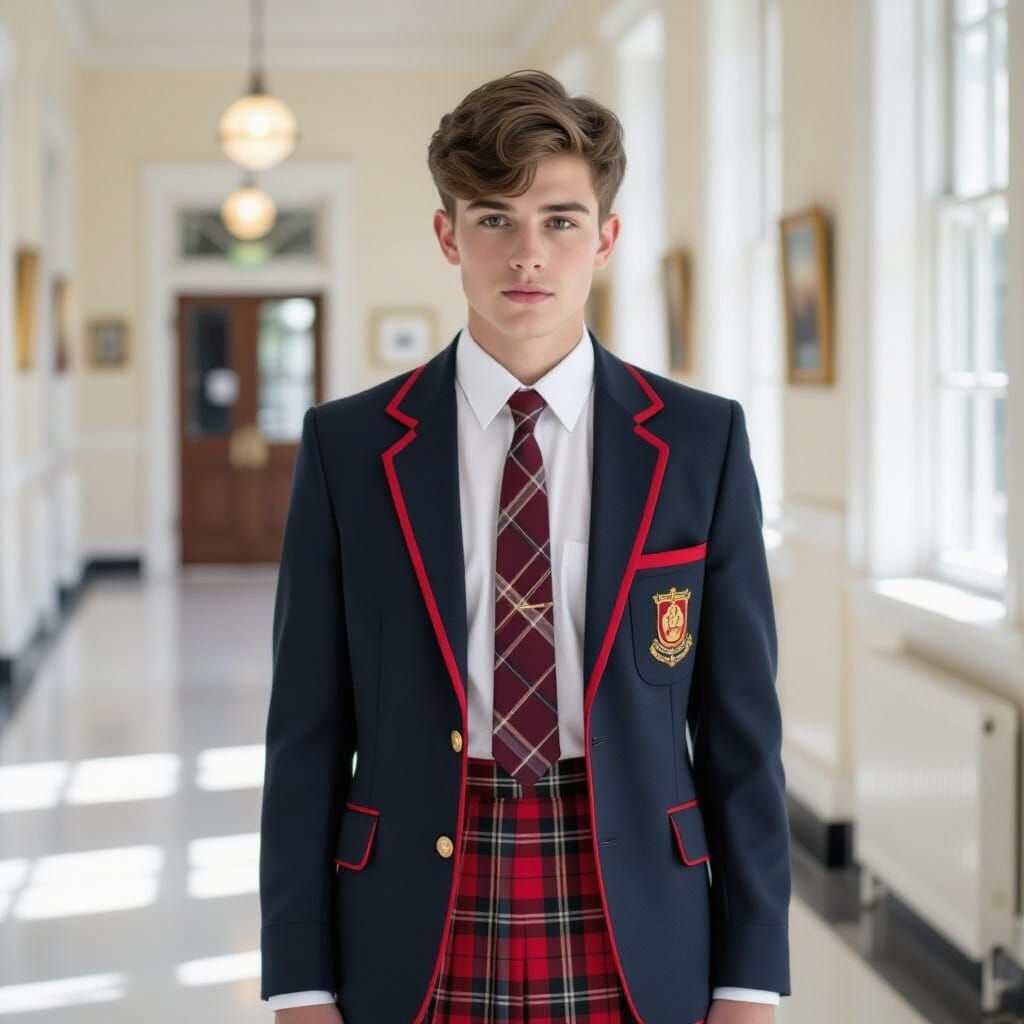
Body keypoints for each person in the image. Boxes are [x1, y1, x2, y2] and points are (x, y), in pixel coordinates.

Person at [259, 69, 791, 1024]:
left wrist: (750, 981)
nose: (528, 255)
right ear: (446, 234)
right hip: (415, 902)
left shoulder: (702, 443)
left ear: (607, 238)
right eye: (494, 219)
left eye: (560, 219)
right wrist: (299, 981)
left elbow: (742, 733)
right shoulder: (348, 448)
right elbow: (305, 734)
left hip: (633, 902)